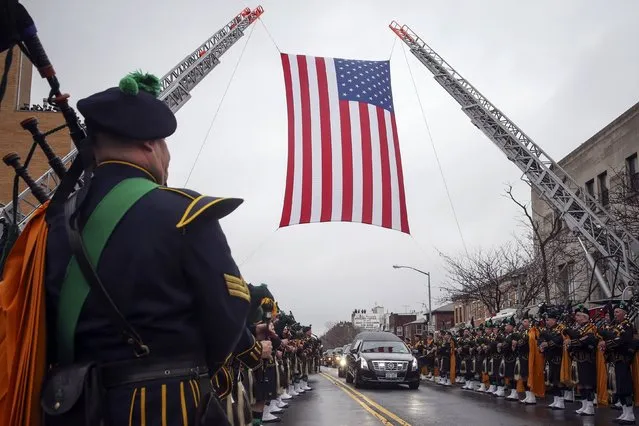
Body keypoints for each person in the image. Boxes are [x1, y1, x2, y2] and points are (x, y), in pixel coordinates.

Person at [41, 71, 251, 425]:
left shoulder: (50, 225)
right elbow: (228, 312)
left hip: (72, 406)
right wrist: (192, 368)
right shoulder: (184, 213)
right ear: (150, 144)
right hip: (167, 405)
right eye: (165, 146)